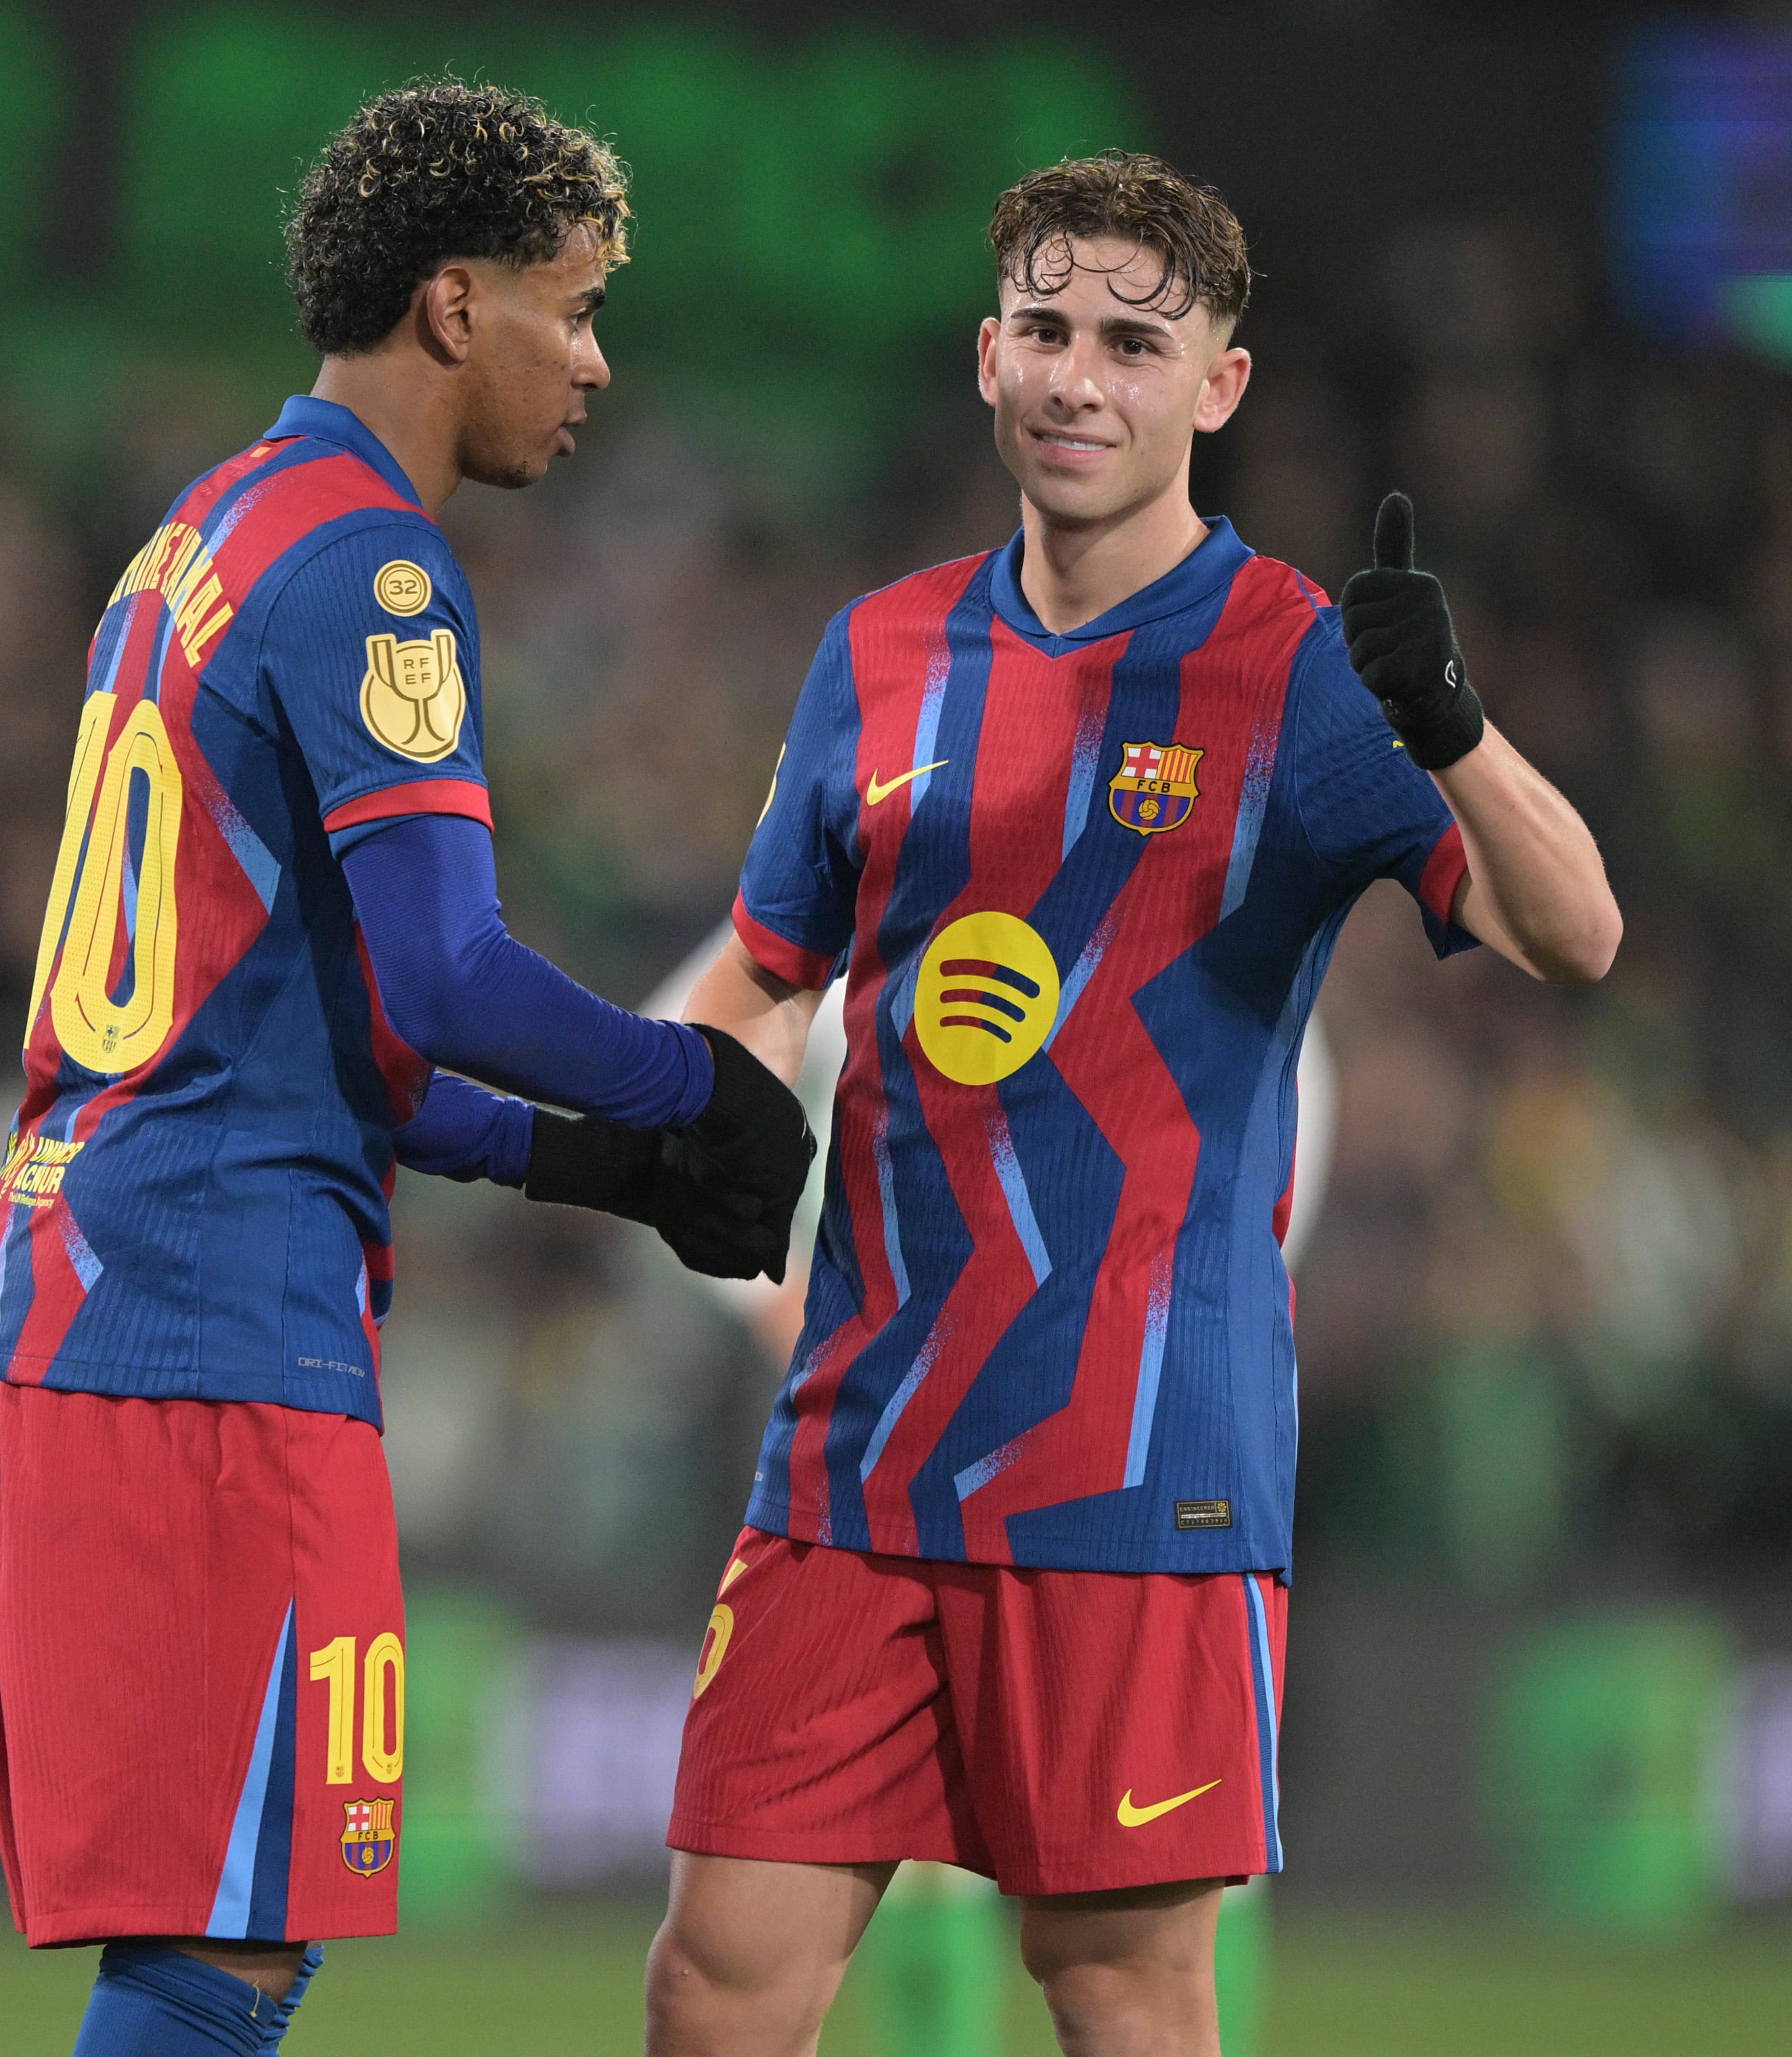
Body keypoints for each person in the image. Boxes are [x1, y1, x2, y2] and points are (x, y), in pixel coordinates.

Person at [644, 152, 1620, 2056]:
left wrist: (1447, 722)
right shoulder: (881, 650)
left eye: (1129, 343)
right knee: (713, 1982)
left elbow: (1572, 932)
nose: (1078, 379)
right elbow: (757, 969)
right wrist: (680, 1132)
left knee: (1119, 1991)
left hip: (1136, 1470)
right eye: (1046, 331)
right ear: (984, 355)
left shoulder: (1293, 670)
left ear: (1216, 386)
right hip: (853, 1456)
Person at [0, 82, 810, 2057]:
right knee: (219, 1956)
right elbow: (446, 976)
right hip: (208, 1329)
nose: (592, 365)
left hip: (86, 1292)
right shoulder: (371, 569)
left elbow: (324, 1040)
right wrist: (692, 1089)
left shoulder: (202, 535)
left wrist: (593, 1174)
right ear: (451, 306)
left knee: (213, 1933)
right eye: (572, 307)